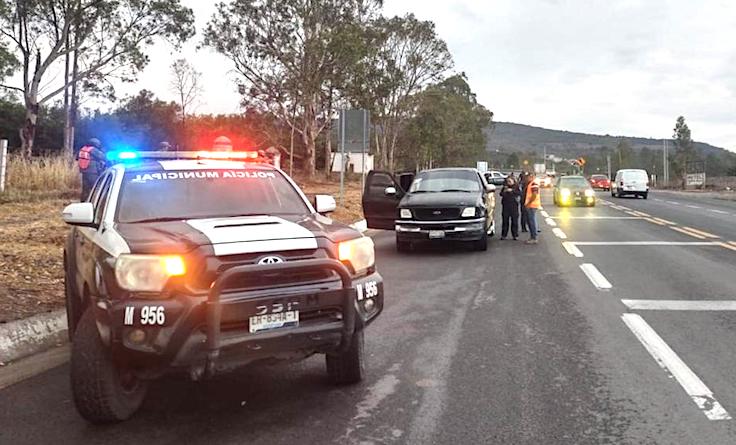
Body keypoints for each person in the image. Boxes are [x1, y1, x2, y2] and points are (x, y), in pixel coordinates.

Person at [499, 176, 521, 240]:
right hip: (506, 206)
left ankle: (515, 235)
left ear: (513, 181)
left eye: (510, 181)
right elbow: (501, 194)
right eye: (508, 181)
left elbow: (519, 193)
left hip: (514, 206)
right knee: (505, 221)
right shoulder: (505, 187)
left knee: (514, 222)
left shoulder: (516, 187)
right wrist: (505, 191)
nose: (508, 183)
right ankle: (504, 235)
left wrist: (512, 191)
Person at [524, 171, 542, 244]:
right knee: (531, 221)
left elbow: (534, 195)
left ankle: (534, 237)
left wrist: (528, 203)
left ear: (532, 177)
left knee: (532, 221)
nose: (527, 178)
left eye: (528, 177)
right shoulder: (531, 183)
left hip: (532, 205)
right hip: (531, 205)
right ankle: (533, 237)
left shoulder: (534, 184)